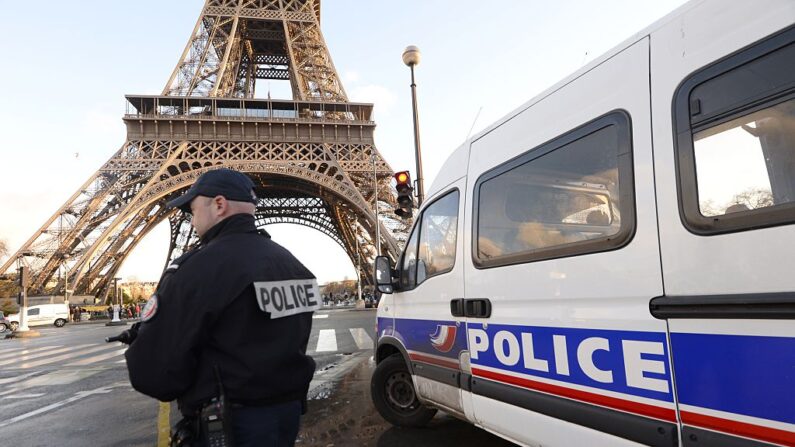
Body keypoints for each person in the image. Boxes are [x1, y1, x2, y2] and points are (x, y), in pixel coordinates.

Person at [124, 169, 320, 447]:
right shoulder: (293, 265)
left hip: (230, 425)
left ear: (218, 204)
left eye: (192, 210)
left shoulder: (197, 269)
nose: (191, 222)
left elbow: (156, 374)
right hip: (285, 417)